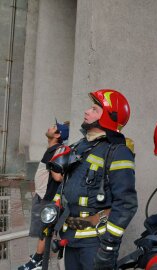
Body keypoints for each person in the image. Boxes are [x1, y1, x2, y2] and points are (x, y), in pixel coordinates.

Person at [53, 89, 137, 270]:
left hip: (95, 244)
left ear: (107, 117)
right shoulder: (80, 145)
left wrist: (108, 246)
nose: (86, 112)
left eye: (94, 109)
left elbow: (126, 204)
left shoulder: (117, 152)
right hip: (71, 238)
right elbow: (66, 186)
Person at [18, 120, 69, 270]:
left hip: (48, 197)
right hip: (42, 195)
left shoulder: (58, 150)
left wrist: (54, 168)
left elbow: (58, 177)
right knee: (41, 228)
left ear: (58, 135)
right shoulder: (52, 148)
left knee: (44, 229)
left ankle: (38, 261)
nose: (50, 127)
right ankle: (37, 256)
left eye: (54, 128)